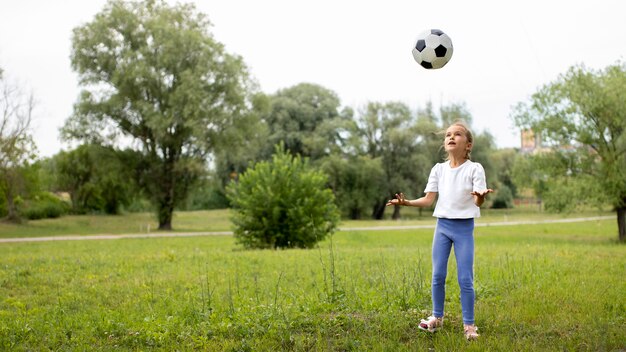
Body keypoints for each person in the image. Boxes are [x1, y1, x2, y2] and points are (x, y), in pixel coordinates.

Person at [386, 122, 493, 341]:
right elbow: (428, 200)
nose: (451, 137)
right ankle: (437, 317)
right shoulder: (438, 169)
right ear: (445, 143)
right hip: (442, 227)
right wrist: (406, 203)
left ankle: (469, 325)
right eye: (448, 135)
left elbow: (477, 200)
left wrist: (480, 197)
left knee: (465, 279)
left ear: (468, 145)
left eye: (458, 134)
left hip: (463, 228)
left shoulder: (475, 168)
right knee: (437, 275)